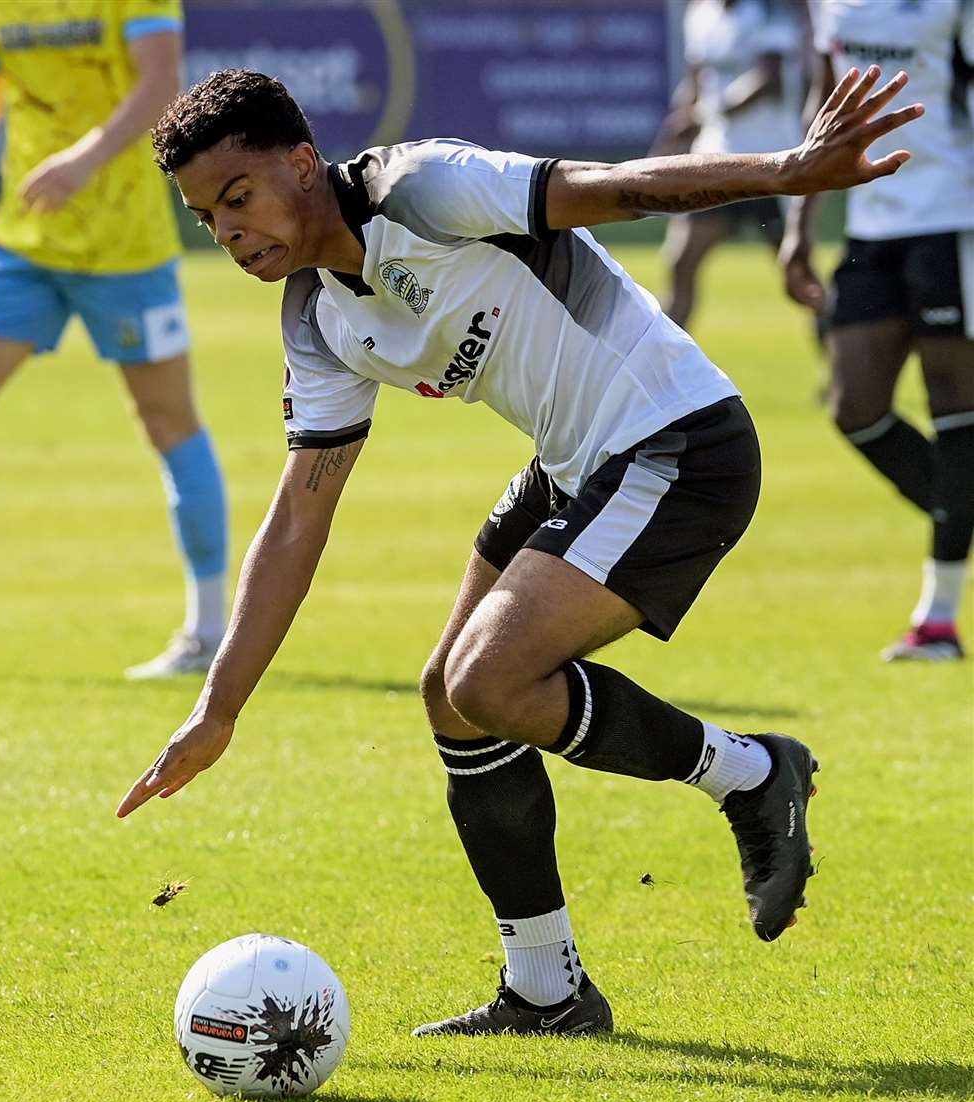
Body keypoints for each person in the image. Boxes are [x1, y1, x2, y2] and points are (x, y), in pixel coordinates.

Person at [116, 66, 919, 1034]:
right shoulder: (316, 317)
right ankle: (548, 990)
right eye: (208, 218)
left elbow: (612, 187)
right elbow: (299, 517)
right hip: (578, 459)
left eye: (237, 198)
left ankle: (750, 775)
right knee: (452, 701)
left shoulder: (423, 187)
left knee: (490, 677)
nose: (230, 232)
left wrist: (786, 173)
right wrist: (219, 707)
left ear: (299, 164)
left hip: (679, 439)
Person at [0, 0, 229, 678]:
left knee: (169, 422)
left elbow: (162, 81)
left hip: (125, 248)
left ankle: (209, 631)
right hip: (22, 243)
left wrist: (83, 159)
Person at [780, 0, 973, 662]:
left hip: (953, 217)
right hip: (872, 223)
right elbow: (826, 103)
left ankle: (938, 620)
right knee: (855, 410)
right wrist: (799, 225)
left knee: (957, 411)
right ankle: (961, 508)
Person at [657, 0, 804, 327]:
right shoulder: (700, 13)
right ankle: (665, 367)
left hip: (770, 164)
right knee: (681, 261)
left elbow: (769, 80)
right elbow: (696, 81)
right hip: (714, 160)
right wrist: (677, 127)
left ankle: (842, 359)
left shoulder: (769, 10)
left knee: (797, 273)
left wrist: (705, 113)